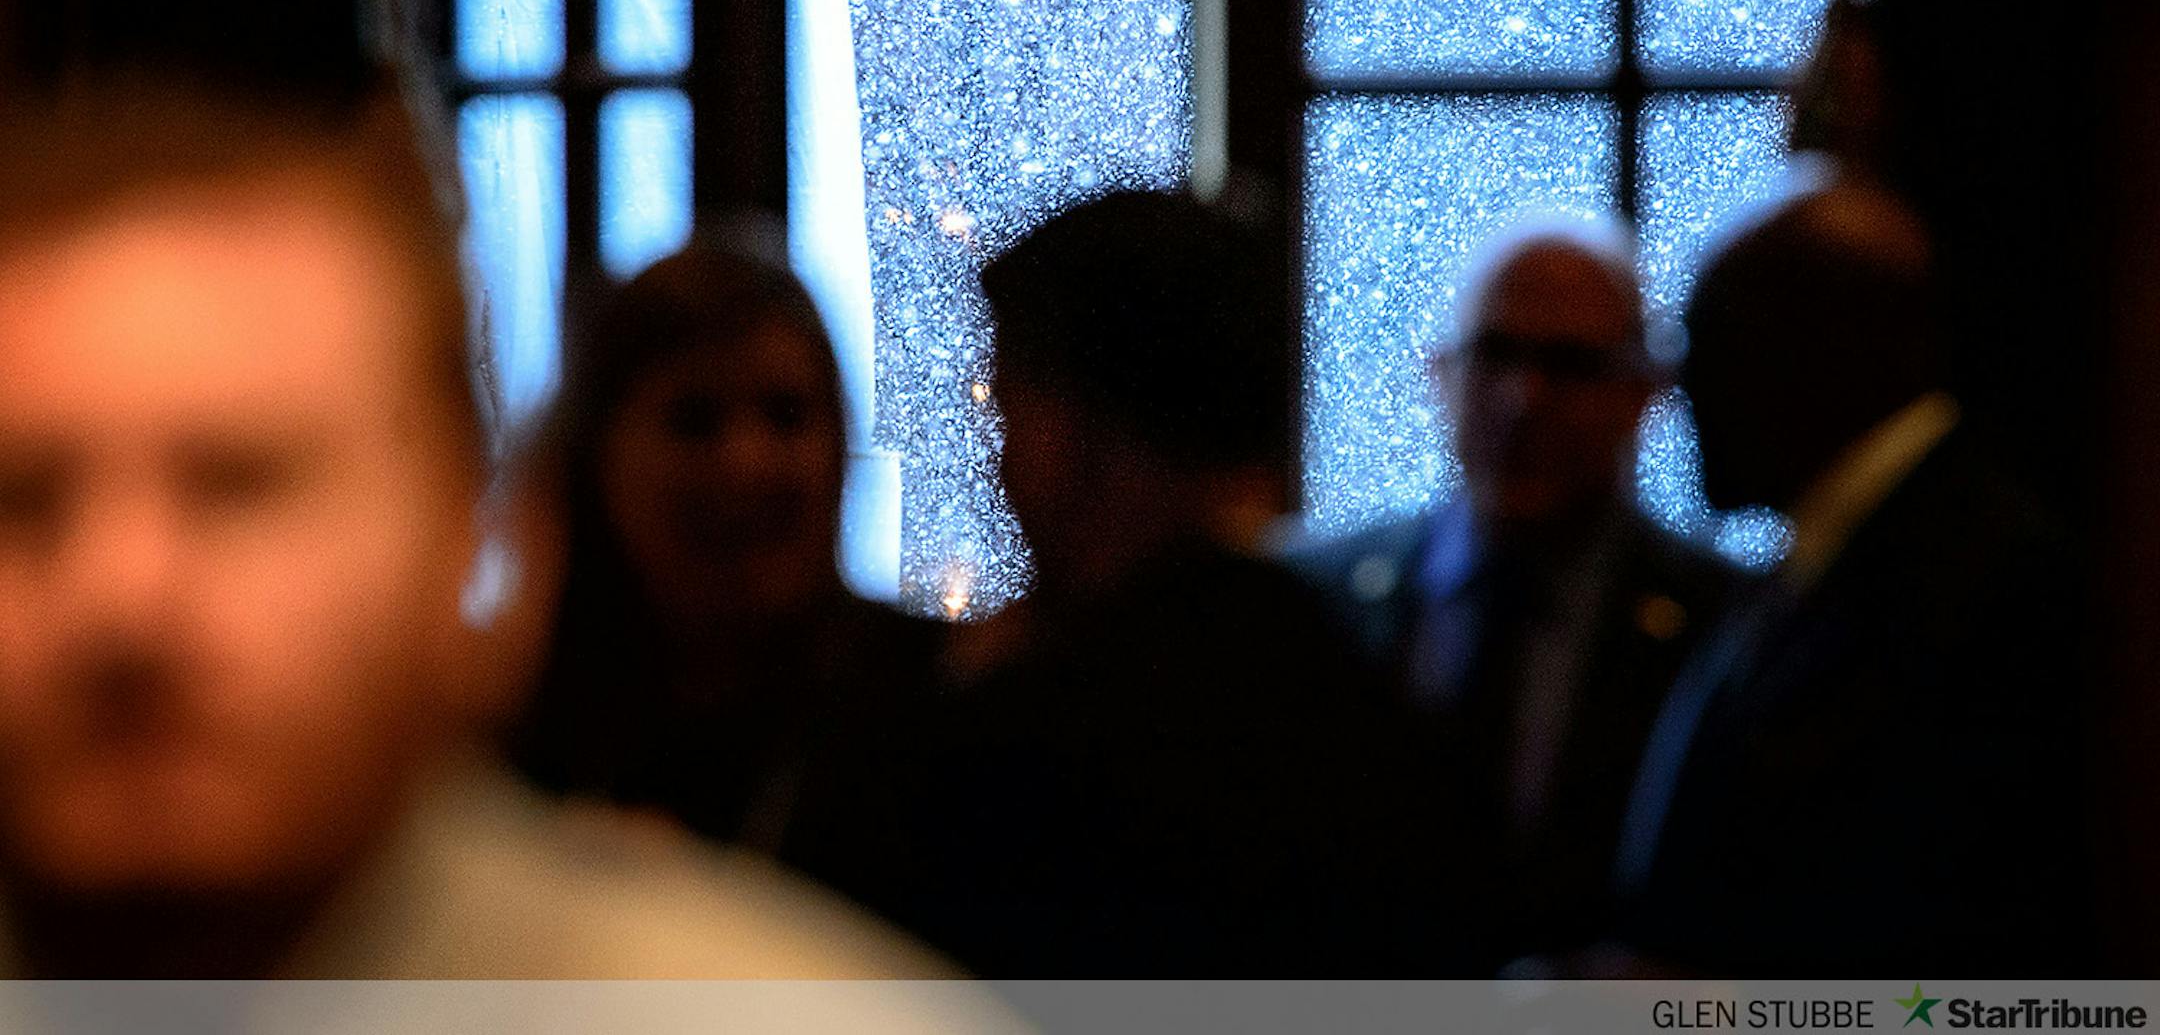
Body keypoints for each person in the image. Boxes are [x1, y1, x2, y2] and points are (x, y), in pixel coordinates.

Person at [0, 70, 942, 977]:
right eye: (21, 499)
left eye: (240, 484)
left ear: (470, 530)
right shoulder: (546, 718)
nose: (119, 593)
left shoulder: (929, 729)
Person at [800, 186, 1432, 974]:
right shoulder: (1364, 698)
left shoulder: (1018, 751)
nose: (999, 460)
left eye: (1008, 410)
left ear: (1075, 432)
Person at [1609, 181, 2091, 973]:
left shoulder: (1980, 584)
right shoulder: (1856, 556)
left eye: (1710, 340)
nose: (1678, 391)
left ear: (1813, 349)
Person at [1288, 219, 1743, 963]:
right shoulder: (1313, 601)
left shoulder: (1729, 625)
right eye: (1495, 354)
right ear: (1441, 374)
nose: (1524, 398)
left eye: (1571, 365)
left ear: (1644, 393)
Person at [506, 230, 940, 855]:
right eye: (695, 420)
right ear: (597, 457)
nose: (746, 464)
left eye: (786, 415)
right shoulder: (516, 726)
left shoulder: (929, 702)